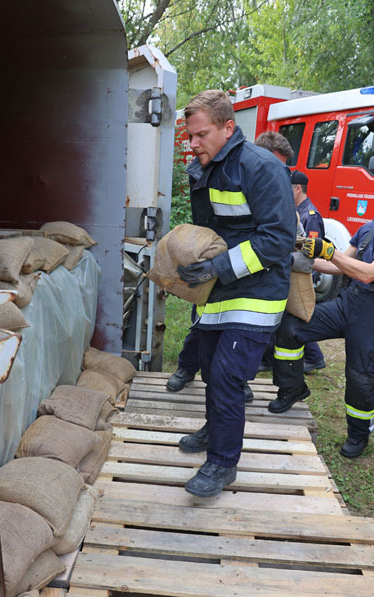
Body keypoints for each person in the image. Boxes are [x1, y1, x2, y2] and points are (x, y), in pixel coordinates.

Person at [175, 90, 296, 497]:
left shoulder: (260, 167)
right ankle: (216, 428)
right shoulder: (206, 167)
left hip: (258, 292)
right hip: (221, 289)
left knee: (227, 375)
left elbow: (278, 240)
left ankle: (223, 463)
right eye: (189, 137)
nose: (193, 145)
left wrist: (216, 267)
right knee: (210, 367)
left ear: (229, 127)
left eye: (200, 135)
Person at [166, 130, 295, 394]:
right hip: (215, 285)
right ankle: (187, 368)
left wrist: (219, 266)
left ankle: (234, 381)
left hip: (248, 286)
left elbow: (281, 237)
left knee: (229, 367)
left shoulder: (274, 188)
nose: (278, 173)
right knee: (200, 331)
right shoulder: (235, 172)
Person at [268, 222, 374, 458]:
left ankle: (358, 434)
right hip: (350, 302)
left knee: (360, 375)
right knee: (291, 326)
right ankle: (292, 387)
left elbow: (368, 274)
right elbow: (341, 266)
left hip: (371, 315)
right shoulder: (369, 228)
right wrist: (298, 258)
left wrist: (329, 251)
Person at [290, 170, 326, 373]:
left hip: (304, 274)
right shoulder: (297, 211)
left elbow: (312, 253)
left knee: (301, 316)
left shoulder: (309, 216)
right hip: (296, 270)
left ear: (297, 188)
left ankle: (314, 357)